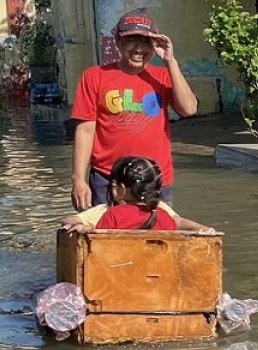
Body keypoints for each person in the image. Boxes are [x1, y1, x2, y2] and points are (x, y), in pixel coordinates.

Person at [70, 8, 199, 212]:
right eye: (132, 40)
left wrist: (170, 61)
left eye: (146, 41)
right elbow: (85, 130)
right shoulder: (95, 76)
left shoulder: (163, 76)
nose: (139, 48)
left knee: (158, 238)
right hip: (108, 179)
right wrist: (78, 180)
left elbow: (189, 108)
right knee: (107, 238)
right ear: (118, 42)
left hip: (154, 179)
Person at [61, 156, 215, 233]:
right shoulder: (161, 212)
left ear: (119, 188)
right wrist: (204, 229)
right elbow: (178, 222)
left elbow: (99, 242)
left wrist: (86, 227)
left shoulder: (110, 214)